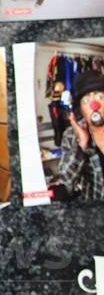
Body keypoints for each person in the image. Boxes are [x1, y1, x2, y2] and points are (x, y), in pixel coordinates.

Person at [57, 71, 104, 201]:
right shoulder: (71, 136)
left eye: (100, 97)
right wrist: (81, 145)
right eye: (86, 100)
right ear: (81, 110)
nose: (94, 106)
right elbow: (66, 183)